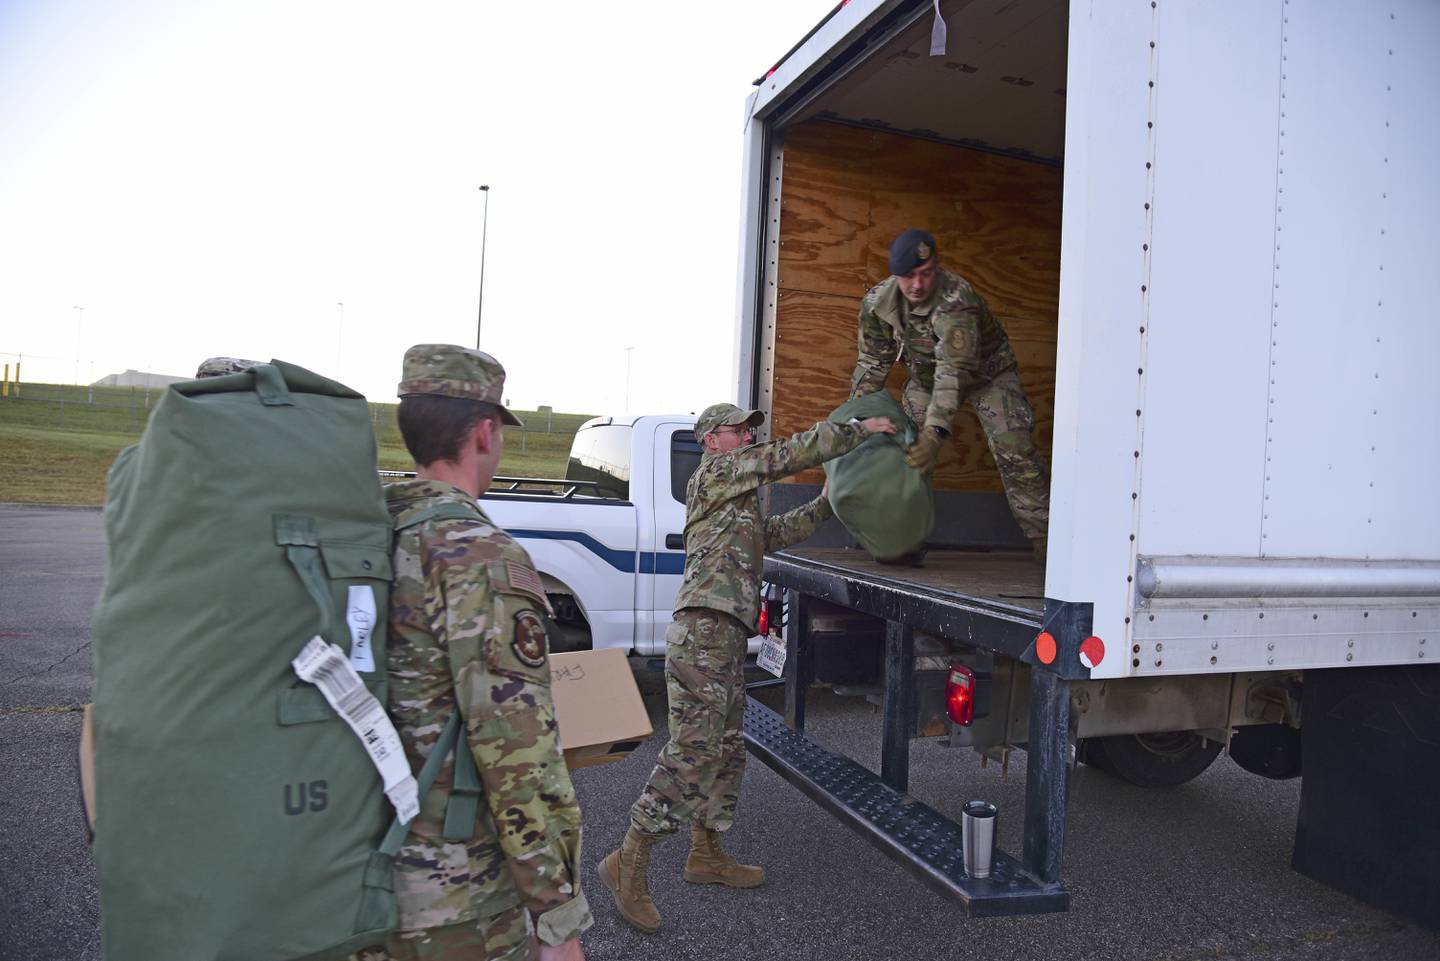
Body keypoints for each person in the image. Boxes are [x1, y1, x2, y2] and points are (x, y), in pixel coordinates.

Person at [600, 402, 895, 933]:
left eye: (747, 432)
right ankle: (629, 861)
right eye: (738, 431)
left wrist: (827, 501)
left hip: (726, 635)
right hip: (703, 631)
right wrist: (857, 432)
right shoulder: (715, 473)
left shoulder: (735, 502)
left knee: (728, 749)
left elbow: (775, 533)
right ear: (712, 440)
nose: (747, 438)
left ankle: (706, 853)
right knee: (692, 750)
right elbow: (782, 456)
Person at [378, 344, 590, 961]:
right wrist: (557, 918)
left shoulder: (371, 531)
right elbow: (516, 755)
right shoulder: (478, 553)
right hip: (453, 900)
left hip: (356, 870)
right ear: (483, 432)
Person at [851, 228, 1050, 561]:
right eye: (909, 276)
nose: (918, 284)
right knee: (908, 450)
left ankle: (1045, 539)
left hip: (987, 375)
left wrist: (935, 432)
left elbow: (953, 371)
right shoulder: (877, 304)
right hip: (925, 380)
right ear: (895, 275)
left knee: (1013, 448)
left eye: (926, 274)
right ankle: (903, 539)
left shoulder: (957, 300)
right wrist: (853, 421)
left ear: (938, 268)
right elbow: (872, 362)